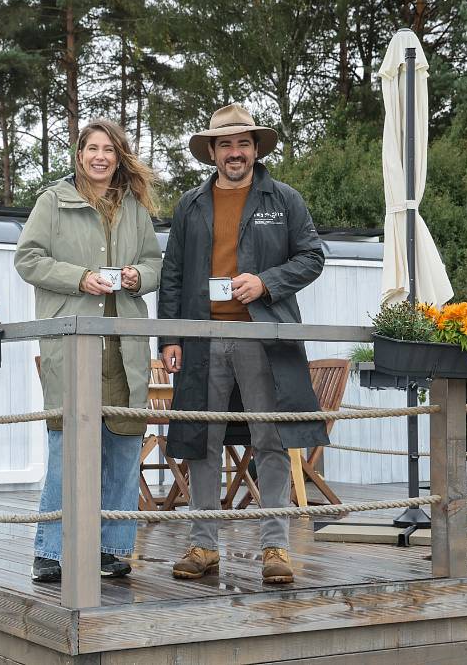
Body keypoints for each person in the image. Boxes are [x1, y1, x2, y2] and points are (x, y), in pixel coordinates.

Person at [157, 104, 327, 584]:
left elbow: (313, 256)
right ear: (212, 151)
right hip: (202, 338)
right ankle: (203, 546)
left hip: (263, 337)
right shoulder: (190, 205)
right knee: (201, 441)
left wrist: (267, 282)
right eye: (226, 144)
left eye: (243, 143)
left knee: (270, 438)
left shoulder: (284, 198)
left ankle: (275, 548)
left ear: (256, 149)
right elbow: (171, 276)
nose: (235, 152)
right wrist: (169, 337)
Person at [15, 119, 163, 583]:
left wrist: (140, 275)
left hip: (125, 349)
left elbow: (156, 263)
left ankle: (111, 549)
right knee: (66, 450)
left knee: (122, 448)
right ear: (79, 154)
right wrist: (80, 277)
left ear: (119, 158)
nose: (101, 157)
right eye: (92, 148)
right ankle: (50, 553)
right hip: (73, 346)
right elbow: (28, 259)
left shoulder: (135, 208)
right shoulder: (52, 201)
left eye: (110, 150)